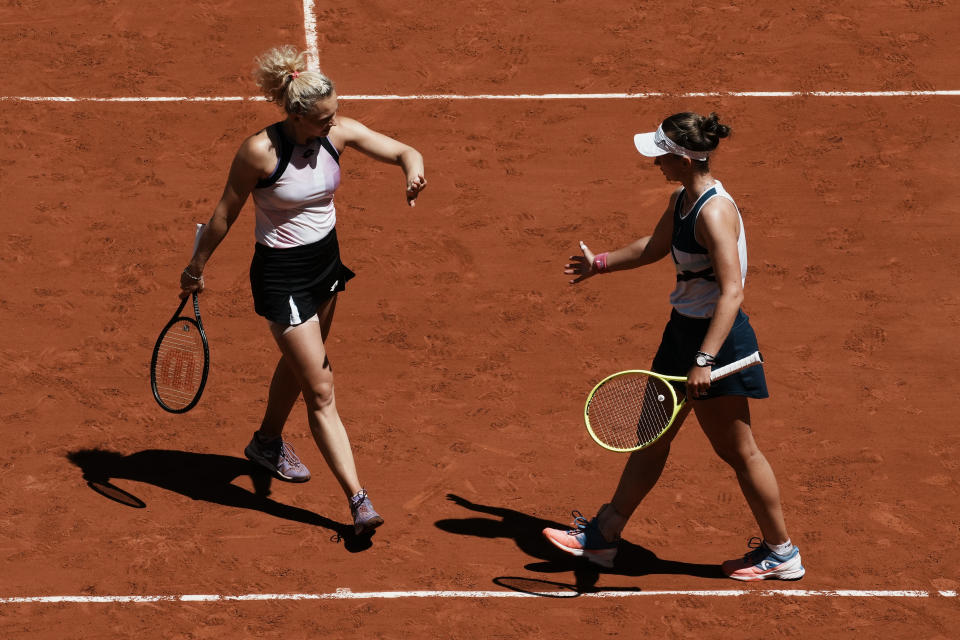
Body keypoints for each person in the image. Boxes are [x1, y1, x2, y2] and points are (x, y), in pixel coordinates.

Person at [542, 112, 804, 581]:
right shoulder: (682, 198)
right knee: (653, 435)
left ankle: (782, 553)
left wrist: (704, 359)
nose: (655, 163)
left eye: (661, 155)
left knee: (739, 451)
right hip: (682, 334)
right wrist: (599, 263)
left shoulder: (715, 212)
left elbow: (732, 292)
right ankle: (604, 537)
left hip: (715, 344)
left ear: (683, 158)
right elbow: (654, 247)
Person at [178, 45, 426, 536]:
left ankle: (267, 442)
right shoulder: (259, 152)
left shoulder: (339, 131)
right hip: (282, 275)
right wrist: (196, 264)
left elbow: (401, 148)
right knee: (320, 386)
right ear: (295, 115)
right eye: (322, 120)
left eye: (335, 115)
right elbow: (225, 212)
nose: (333, 125)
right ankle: (358, 500)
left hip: (325, 264)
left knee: (302, 365)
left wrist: (412, 170)